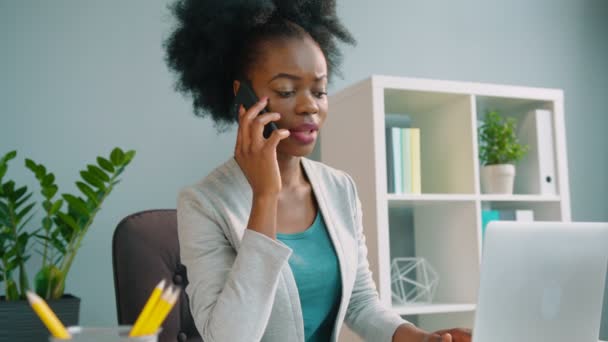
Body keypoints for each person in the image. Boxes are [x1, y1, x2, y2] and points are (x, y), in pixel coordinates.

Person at [165, 1, 472, 341]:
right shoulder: (204, 203)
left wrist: (419, 337)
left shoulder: (339, 187)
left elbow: (360, 302)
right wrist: (265, 197)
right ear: (243, 98)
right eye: (286, 90)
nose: (310, 105)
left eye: (320, 91)